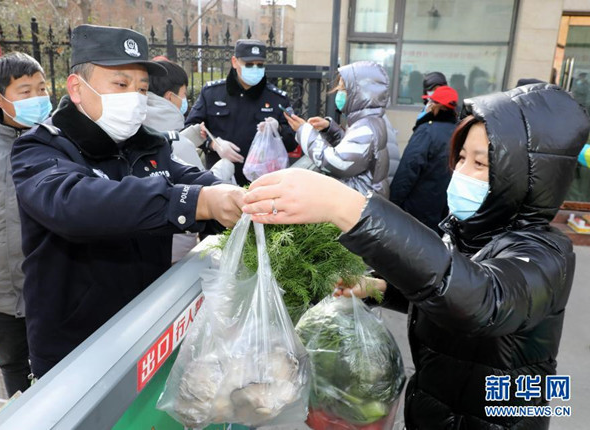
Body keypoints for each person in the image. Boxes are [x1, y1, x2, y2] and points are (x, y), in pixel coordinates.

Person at [243, 83, 590, 429]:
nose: (461, 172)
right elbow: (441, 298)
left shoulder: (546, 255)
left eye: (480, 163)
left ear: (526, 178)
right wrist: (377, 287)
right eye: (462, 158)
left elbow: (481, 300)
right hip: (434, 409)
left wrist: (348, 208)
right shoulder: (465, 233)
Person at [10, 24, 245, 378]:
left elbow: (191, 180)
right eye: (121, 85)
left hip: (145, 330)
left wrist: (236, 198)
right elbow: (73, 204)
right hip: (75, 350)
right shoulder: (41, 147)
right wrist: (194, 202)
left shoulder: (148, 145)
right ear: (77, 88)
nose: (134, 97)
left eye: (142, 89)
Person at [0, 52, 51, 396]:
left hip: (54, 284)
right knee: (14, 367)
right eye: (25, 92)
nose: (37, 99)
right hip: (0, 292)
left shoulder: (61, 137)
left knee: (60, 367)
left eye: (41, 89)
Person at [144, 58, 236, 263]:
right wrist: (224, 170)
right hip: (175, 252)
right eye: (184, 95)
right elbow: (199, 189)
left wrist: (191, 135)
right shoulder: (178, 144)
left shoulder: (136, 131)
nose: (185, 101)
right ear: (170, 97)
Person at [186, 39, 297, 186]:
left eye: (260, 65)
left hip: (262, 184)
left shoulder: (277, 98)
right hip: (219, 181)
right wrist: (213, 144)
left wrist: (278, 129)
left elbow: (292, 142)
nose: (255, 69)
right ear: (234, 62)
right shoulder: (212, 93)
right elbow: (189, 130)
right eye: (249, 64)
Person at [284, 61, 397, 198]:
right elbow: (354, 151)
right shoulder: (367, 121)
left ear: (359, 93)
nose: (338, 93)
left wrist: (304, 131)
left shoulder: (366, 127)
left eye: (343, 89)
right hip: (362, 198)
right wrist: (330, 129)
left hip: (360, 203)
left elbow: (335, 163)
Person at [390, 85, 458, 234]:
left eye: (430, 102)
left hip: (417, 209)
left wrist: (393, 204)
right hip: (443, 210)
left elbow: (408, 169)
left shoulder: (427, 131)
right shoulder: (459, 132)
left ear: (435, 106)